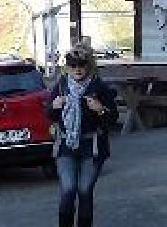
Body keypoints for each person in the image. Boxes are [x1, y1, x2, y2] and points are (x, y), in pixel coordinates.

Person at [47, 50, 119, 227]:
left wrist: (100, 109)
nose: (78, 69)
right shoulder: (62, 85)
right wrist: (54, 107)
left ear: (88, 66)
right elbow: (50, 114)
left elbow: (113, 118)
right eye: (73, 65)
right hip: (66, 145)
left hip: (92, 146)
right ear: (67, 67)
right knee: (69, 189)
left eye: (82, 65)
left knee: (85, 190)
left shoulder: (99, 87)